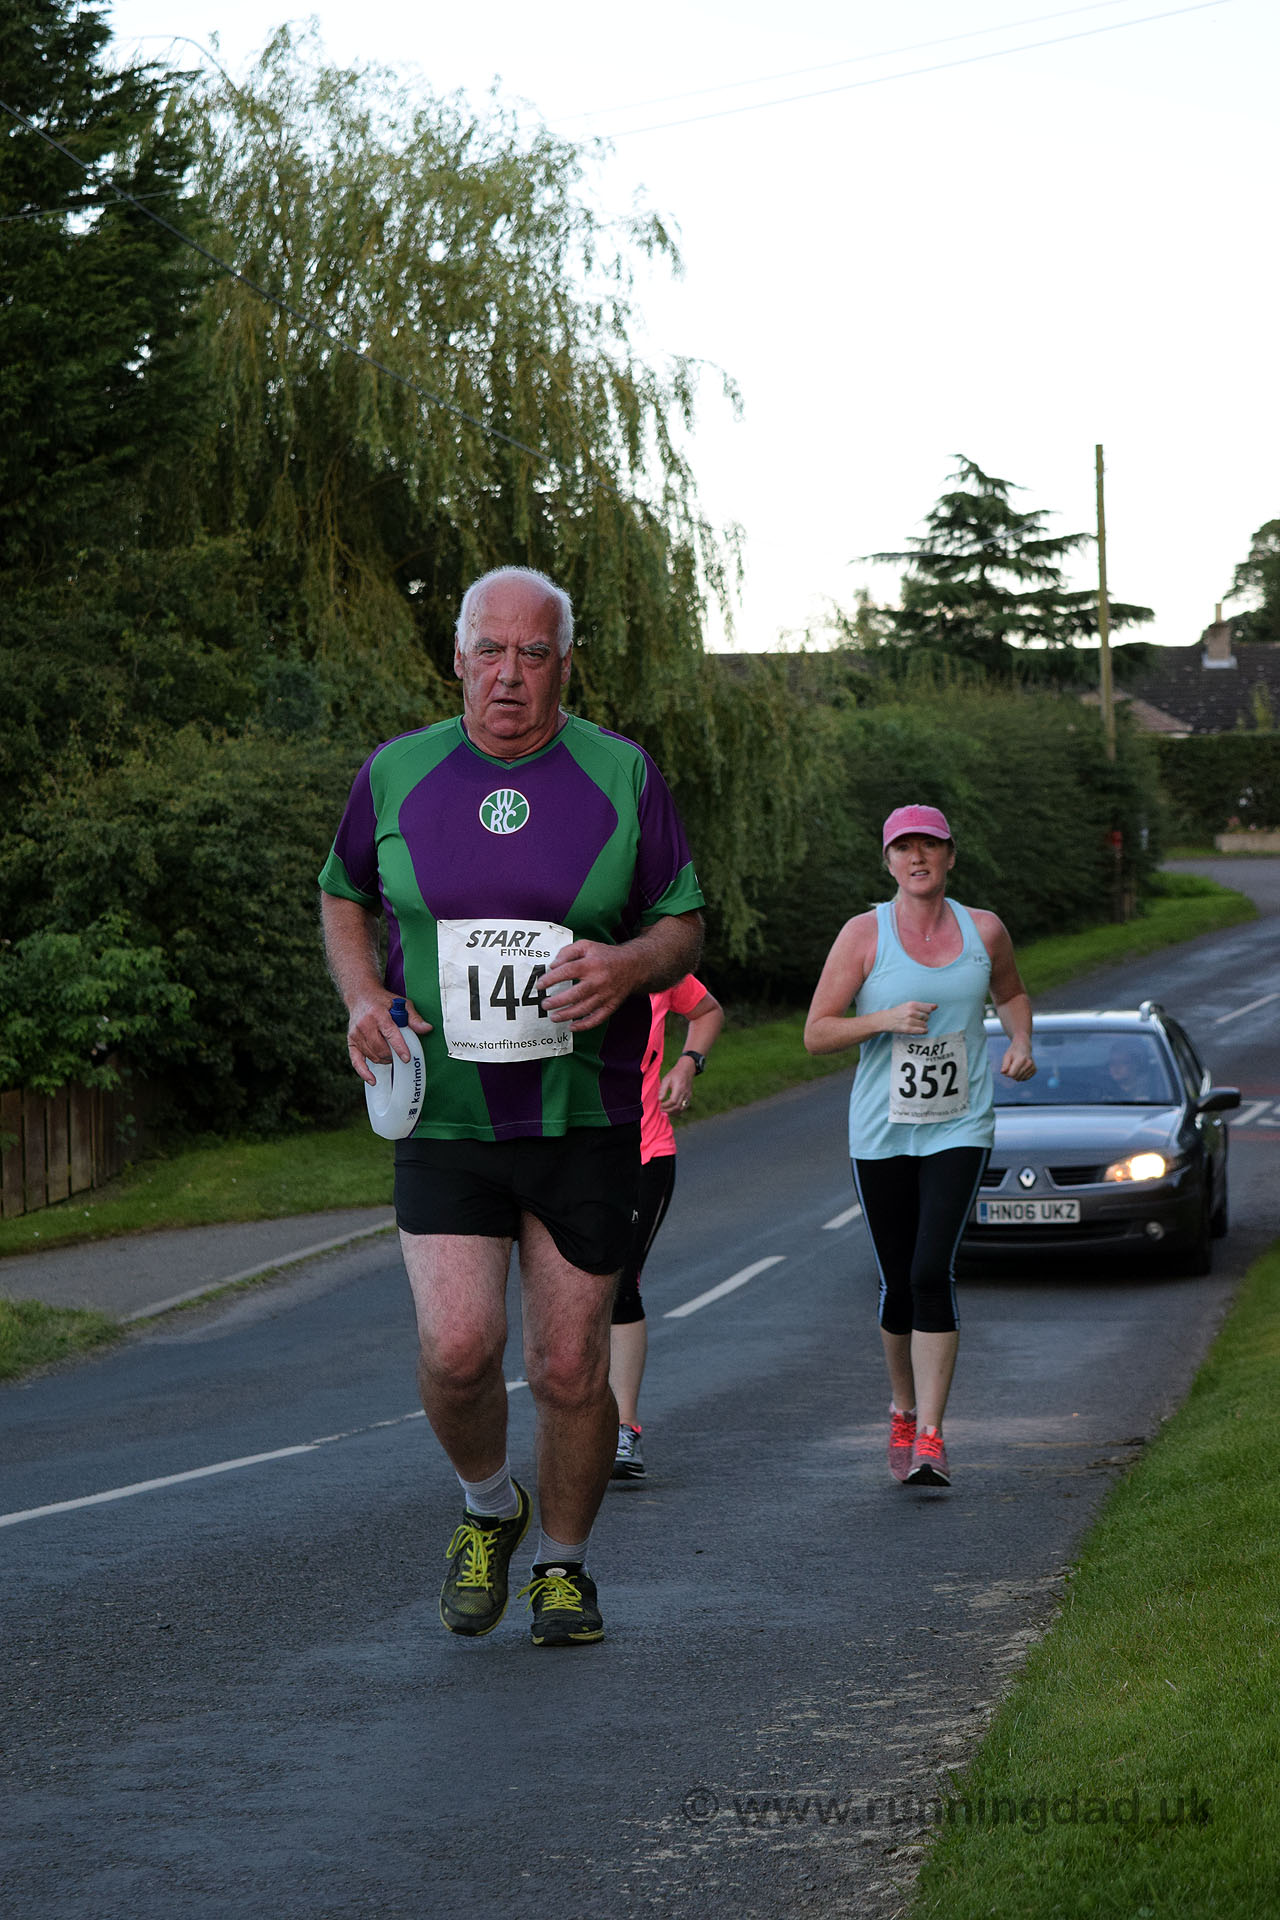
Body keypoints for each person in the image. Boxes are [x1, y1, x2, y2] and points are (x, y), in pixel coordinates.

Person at [318, 565, 704, 1646]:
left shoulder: (620, 774)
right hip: (443, 1113)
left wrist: (629, 965)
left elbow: (681, 923)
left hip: (584, 1117)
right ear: (456, 657)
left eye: (533, 654)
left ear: (564, 665)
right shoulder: (397, 774)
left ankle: (564, 1568)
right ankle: (490, 1507)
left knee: (570, 1368)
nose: (508, 674)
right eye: (489, 650)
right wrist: (361, 997)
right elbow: (343, 893)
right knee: (456, 1351)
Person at [803, 804, 1035, 1488]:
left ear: (950, 856)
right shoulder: (863, 934)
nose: (917, 858)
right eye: (903, 848)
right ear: (888, 862)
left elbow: (1011, 993)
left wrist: (1022, 1040)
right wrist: (882, 1019)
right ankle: (902, 1407)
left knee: (933, 1271)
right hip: (881, 1132)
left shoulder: (984, 930)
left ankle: (931, 1435)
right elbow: (817, 1033)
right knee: (898, 1280)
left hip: (960, 1125)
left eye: (929, 846)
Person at [609, 976, 724, 1480]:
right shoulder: (560, 950)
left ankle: (623, 1429)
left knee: (620, 1284)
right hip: (571, 1156)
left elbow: (707, 1010)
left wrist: (687, 1063)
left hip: (645, 1152)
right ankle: (577, 1420)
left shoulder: (654, 963)